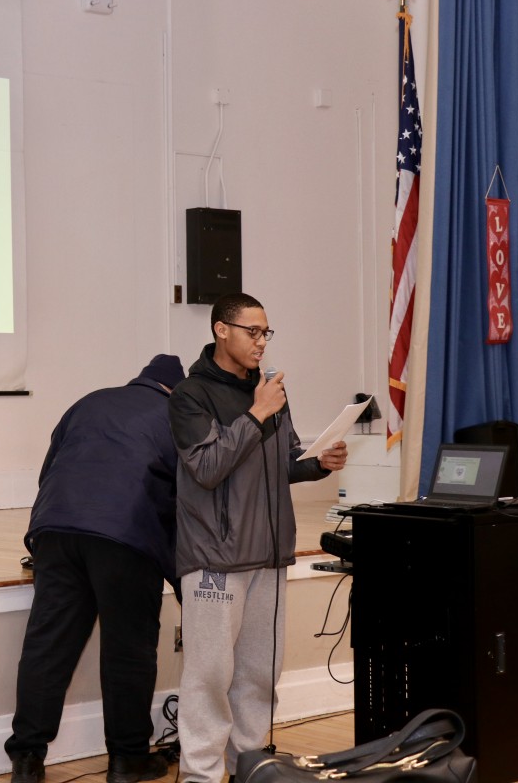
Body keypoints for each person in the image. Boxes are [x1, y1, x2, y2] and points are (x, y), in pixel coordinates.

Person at [168, 293, 348, 783]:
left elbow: (281, 461)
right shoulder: (190, 396)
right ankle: (201, 776)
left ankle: (251, 767)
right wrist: (255, 415)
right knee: (209, 677)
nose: (261, 342)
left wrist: (316, 463)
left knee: (259, 674)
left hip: (268, 553)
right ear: (220, 330)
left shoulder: (269, 391)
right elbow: (206, 467)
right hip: (215, 557)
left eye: (267, 332)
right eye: (253, 331)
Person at [5, 355, 185, 783]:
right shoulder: (178, 415)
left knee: (48, 647)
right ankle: (127, 761)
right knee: (129, 651)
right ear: (174, 391)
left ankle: (27, 760)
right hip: (125, 537)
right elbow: (187, 501)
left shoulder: (89, 402)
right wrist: (184, 579)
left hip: (55, 529)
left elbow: (50, 470)